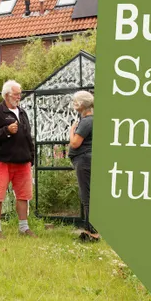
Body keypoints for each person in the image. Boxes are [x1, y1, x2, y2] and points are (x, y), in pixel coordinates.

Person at [0, 79, 36, 238]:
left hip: (23, 162)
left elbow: (28, 137)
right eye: (16, 94)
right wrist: (6, 130)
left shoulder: (23, 112)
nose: (19, 97)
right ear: (6, 95)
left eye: (20, 94)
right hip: (2, 162)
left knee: (23, 196)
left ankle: (24, 228)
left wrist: (31, 157)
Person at [68, 90, 98, 240]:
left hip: (84, 160)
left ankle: (92, 231)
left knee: (86, 195)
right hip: (86, 159)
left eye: (75, 101)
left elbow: (75, 143)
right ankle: (91, 229)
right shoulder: (90, 120)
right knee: (87, 193)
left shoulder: (87, 121)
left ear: (81, 104)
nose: (74, 104)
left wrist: (72, 130)